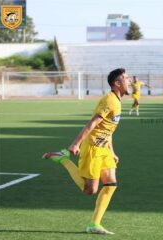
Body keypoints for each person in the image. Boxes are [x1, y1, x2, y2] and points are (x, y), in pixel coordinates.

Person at [42, 68, 129, 235]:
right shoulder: (109, 100)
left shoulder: (117, 101)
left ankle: (94, 224)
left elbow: (107, 129)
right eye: (125, 78)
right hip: (92, 149)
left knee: (111, 185)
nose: (129, 81)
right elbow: (92, 124)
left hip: (103, 149)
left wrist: (112, 151)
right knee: (90, 191)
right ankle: (63, 159)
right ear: (117, 83)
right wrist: (75, 144)